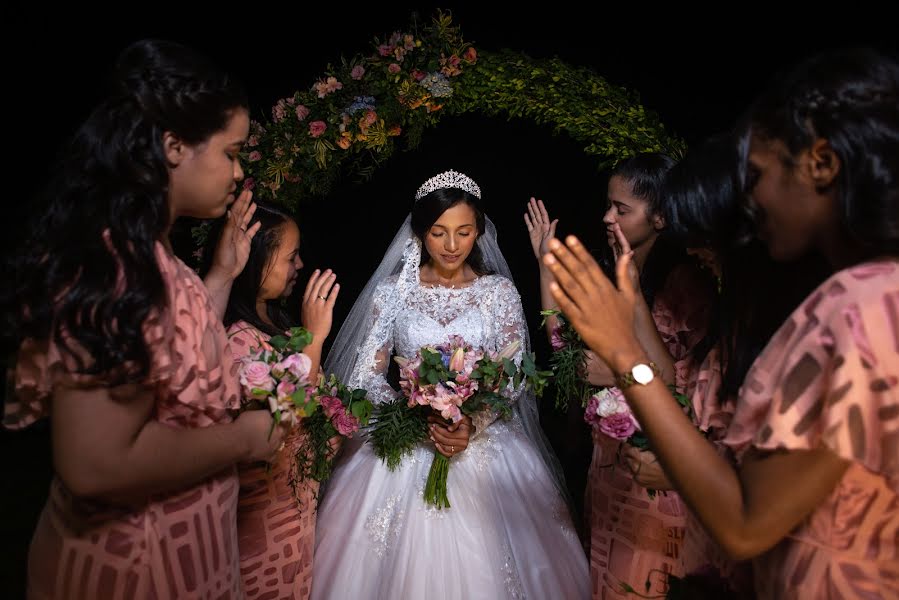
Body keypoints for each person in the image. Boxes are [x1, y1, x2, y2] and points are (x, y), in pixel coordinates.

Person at [543, 48, 899, 599]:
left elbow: (744, 522)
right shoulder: (869, 294)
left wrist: (624, 355)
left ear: (822, 164)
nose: (749, 198)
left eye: (757, 175)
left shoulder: (864, 303)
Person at [3, 39, 285, 599]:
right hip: (134, 565)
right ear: (175, 146)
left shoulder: (148, 254)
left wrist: (223, 276)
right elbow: (96, 462)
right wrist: (243, 441)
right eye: (230, 152)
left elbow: (168, 361)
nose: (236, 172)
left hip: (178, 555)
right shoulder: (119, 267)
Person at [310, 170, 590, 599]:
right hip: (406, 439)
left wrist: (470, 422)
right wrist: (416, 415)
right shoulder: (393, 293)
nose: (453, 245)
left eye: (464, 231)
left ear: (479, 231)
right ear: (421, 231)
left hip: (485, 445)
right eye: (439, 232)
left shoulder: (498, 293)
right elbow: (368, 373)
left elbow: (513, 374)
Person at [526, 153, 717, 598]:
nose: (607, 217)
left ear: (662, 218)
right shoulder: (606, 270)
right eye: (608, 205)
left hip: (657, 474)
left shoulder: (686, 287)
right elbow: (565, 354)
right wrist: (544, 266)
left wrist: (617, 368)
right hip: (609, 468)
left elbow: (680, 389)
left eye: (622, 209)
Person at [210, 200, 339, 599]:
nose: (299, 265)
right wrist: (315, 339)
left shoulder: (276, 325)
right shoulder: (237, 339)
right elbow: (277, 425)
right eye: (291, 256)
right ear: (256, 260)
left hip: (296, 521)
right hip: (262, 532)